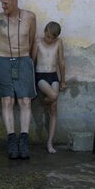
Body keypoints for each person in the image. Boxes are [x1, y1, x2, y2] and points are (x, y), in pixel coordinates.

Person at [0, 0, 37, 159]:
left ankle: (24, 140)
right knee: (7, 100)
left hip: (23, 60)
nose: (3, 6)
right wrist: (1, 58)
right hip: (3, 60)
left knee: (25, 100)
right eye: (2, 3)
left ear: (15, 2)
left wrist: (26, 59)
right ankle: (11, 140)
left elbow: (31, 41)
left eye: (6, 4)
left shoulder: (30, 17)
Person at [33, 21, 67, 154]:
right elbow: (32, 60)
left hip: (53, 75)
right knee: (54, 96)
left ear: (56, 37)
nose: (48, 39)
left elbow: (61, 62)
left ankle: (50, 143)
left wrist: (63, 80)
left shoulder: (59, 43)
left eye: (51, 38)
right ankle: (43, 102)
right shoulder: (38, 42)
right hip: (40, 75)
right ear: (44, 32)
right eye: (47, 36)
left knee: (54, 107)